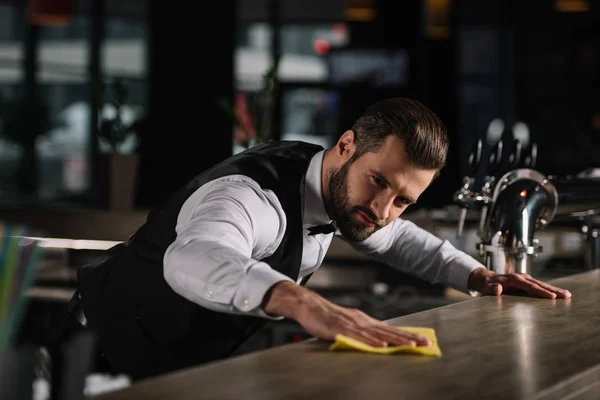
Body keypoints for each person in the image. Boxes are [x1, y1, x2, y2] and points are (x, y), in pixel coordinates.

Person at [73, 97, 571, 381]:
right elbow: (193, 256)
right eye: (378, 182)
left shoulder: (335, 187)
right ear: (347, 145)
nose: (382, 211)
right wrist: (302, 302)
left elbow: (395, 239)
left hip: (172, 369)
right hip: (91, 359)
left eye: (402, 200)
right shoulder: (251, 197)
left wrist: (479, 276)